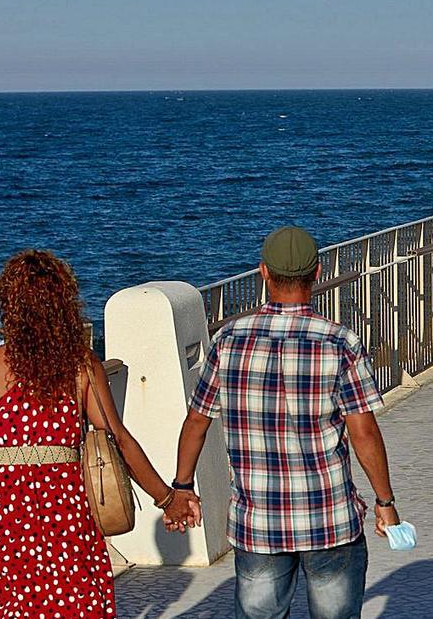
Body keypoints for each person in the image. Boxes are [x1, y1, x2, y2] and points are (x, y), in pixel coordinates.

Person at [0, 251, 193, 618]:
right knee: (70, 603)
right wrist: (166, 497)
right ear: (62, 303)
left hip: (2, 516)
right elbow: (118, 439)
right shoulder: (81, 365)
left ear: (10, 306)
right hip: (66, 513)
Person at [171, 227, 402, 617]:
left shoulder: (228, 340)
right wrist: (385, 502)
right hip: (329, 517)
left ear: (263, 272)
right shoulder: (338, 342)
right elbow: (363, 432)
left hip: (258, 520)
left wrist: (182, 487)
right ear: (318, 273)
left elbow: (197, 420)